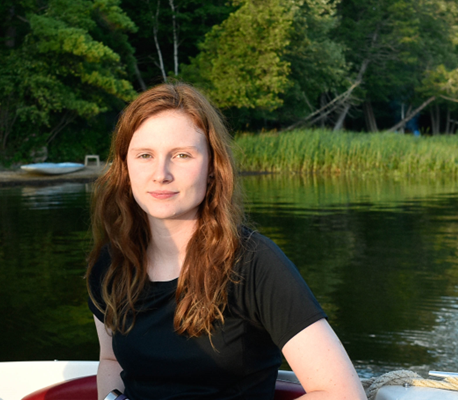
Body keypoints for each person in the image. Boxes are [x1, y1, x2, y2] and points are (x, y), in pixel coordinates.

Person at [86, 82, 366, 400]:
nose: (161, 174)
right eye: (145, 155)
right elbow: (110, 360)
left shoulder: (253, 263)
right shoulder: (110, 263)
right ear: (125, 167)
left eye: (181, 155)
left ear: (212, 167)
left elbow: (342, 393)